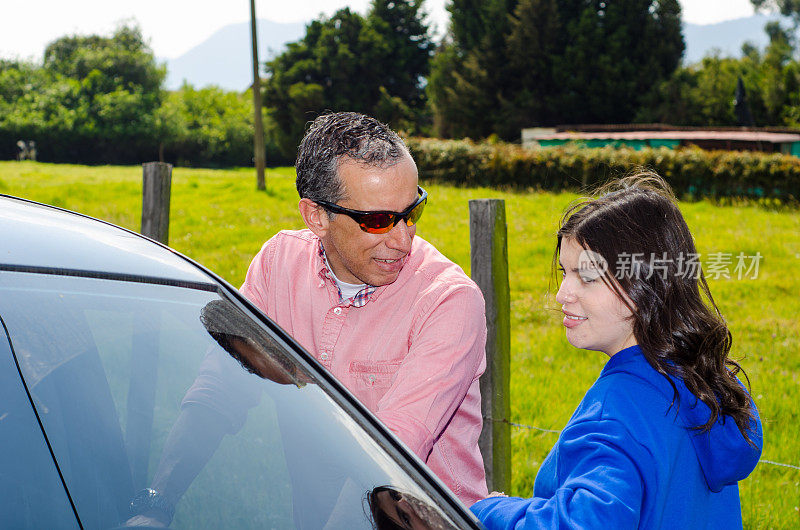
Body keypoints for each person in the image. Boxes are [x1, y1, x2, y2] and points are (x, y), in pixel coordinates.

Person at [470, 172, 763, 529]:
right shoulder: (703, 382)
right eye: (565, 272)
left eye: (587, 276)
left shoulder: (615, 415)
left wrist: (490, 512)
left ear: (645, 282)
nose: (562, 294)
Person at [240, 111, 488, 505]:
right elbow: (216, 392)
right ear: (316, 216)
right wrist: (156, 500)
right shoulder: (277, 264)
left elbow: (387, 462)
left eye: (413, 212)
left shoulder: (448, 300)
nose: (403, 241)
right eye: (377, 221)